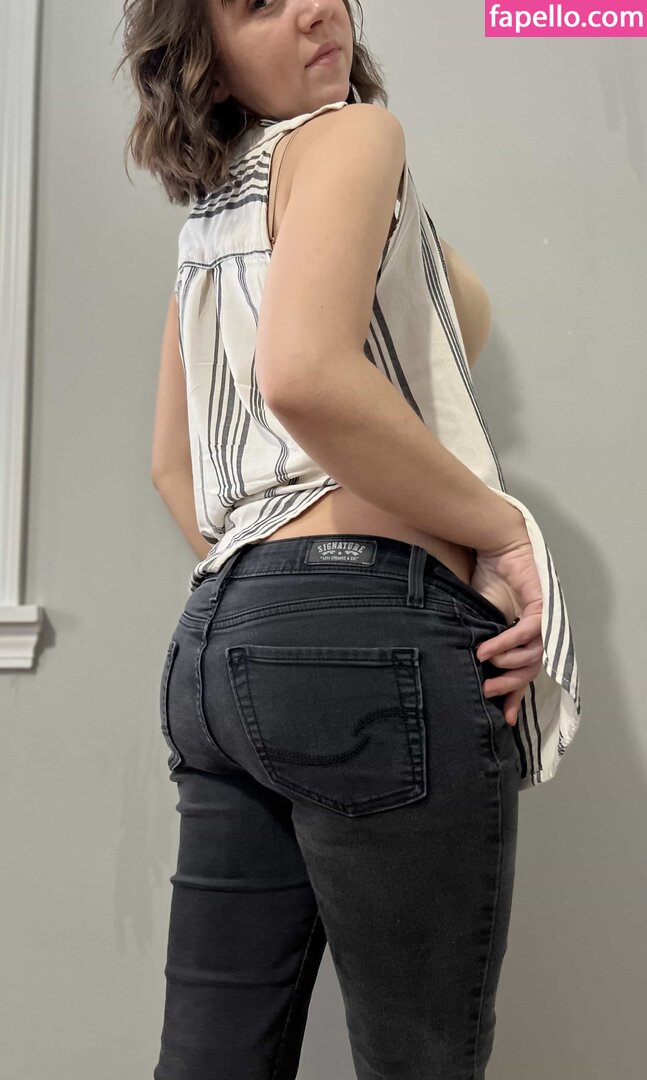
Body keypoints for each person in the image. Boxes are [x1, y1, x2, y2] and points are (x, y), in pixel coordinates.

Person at [116, 1, 582, 1077]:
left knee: (210, 1062)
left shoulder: (209, 228)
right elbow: (305, 376)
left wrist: (274, 609)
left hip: (214, 649)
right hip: (366, 644)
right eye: (258, 4)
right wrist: (501, 533)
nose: (315, 7)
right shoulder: (353, 137)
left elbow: (173, 467)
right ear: (209, 67)